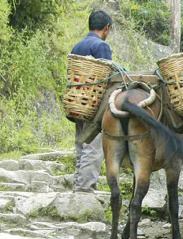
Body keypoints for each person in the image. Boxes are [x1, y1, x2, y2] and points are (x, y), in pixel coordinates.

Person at [70, 9, 113, 193]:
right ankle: (85, 188)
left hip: (77, 102)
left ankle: (78, 183)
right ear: (106, 28)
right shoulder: (101, 46)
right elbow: (107, 76)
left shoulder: (77, 46)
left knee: (81, 143)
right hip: (94, 104)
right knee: (93, 147)